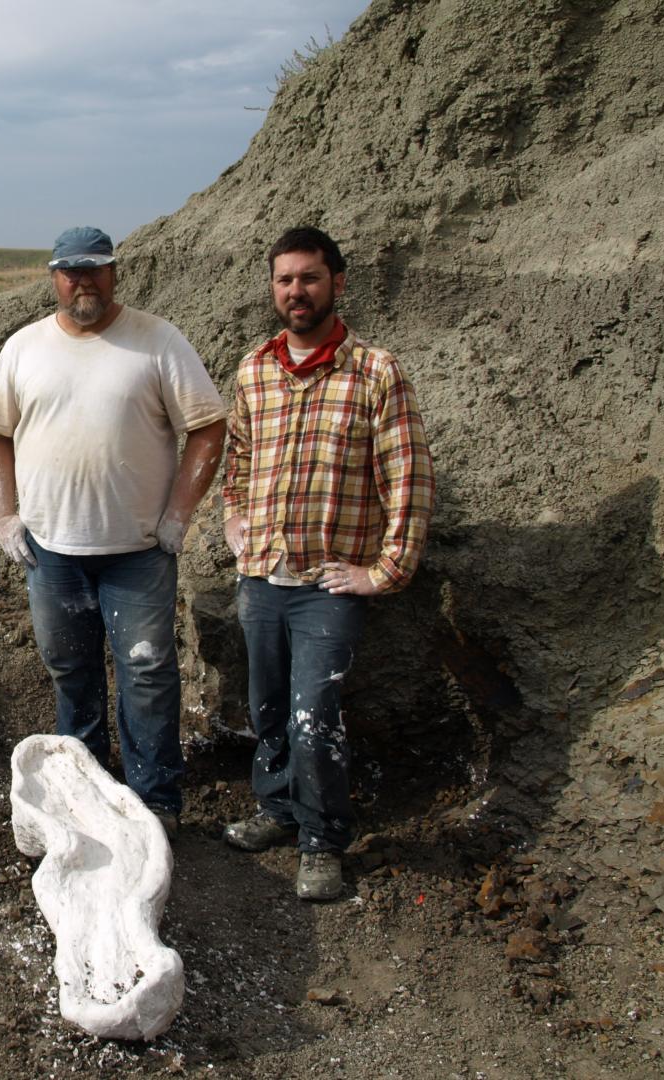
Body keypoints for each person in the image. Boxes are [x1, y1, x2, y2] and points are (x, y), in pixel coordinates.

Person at [0, 225, 228, 837]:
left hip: (139, 551)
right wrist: (5, 518)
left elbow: (208, 428)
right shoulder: (25, 348)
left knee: (145, 673)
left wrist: (178, 516)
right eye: (70, 271)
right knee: (71, 669)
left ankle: (154, 802)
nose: (82, 281)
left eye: (95, 270)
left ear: (115, 273)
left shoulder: (157, 341)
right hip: (52, 552)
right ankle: (84, 789)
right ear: (53, 276)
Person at [220, 226, 434, 900]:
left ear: (337, 283)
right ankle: (278, 811)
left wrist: (385, 570)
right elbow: (239, 459)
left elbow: (410, 478)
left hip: (326, 585)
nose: (296, 291)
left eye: (309, 278)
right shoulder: (255, 367)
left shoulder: (376, 371)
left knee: (315, 717)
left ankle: (321, 842)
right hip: (262, 577)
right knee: (269, 710)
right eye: (285, 280)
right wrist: (233, 519)